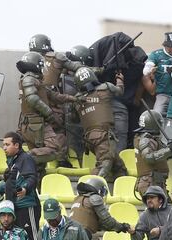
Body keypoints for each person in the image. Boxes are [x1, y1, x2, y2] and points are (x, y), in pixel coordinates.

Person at [16, 52, 80, 185]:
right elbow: (32, 98)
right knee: (55, 149)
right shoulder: (29, 78)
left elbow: (54, 96)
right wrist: (50, 114)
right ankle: (24, 158)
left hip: (32, 124)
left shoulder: (35, 81)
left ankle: (35, 189)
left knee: (39, 167)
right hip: (37, 124)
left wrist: (74, 98)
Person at [29, 34, 84, 168]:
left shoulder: (29, 61)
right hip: (52, 102)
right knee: (58, 129)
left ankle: (36, 160)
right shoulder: (56, 57)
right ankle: (61, 160)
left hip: (33, 105)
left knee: (37, 131)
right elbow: (77, 68)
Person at [73, 66, 127, 181]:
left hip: (89, 139)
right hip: (104, 136)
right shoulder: (105, 88)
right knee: (105, 164)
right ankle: (89, 188)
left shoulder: (76, 99)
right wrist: (119, 79)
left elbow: (74, 118)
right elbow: (120, 91)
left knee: (119, 167)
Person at [0, 132, 40, 240]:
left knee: (31, 237)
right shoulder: (14, 161)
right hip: (15, 208)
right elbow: (13, 182)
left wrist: (25, 189)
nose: (4, 148)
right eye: (3, 145)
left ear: (17, 145)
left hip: (26, 207)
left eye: (7, 145)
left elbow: (32, 177)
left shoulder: (25, 159)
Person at [134, 110, 172, 196]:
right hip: (150, 184)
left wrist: (170, 154)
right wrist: (168, 150)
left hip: (156, 182)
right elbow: (148, 157)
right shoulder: (145, 140)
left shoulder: (152, 139)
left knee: (167, 207)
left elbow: (157, 155)